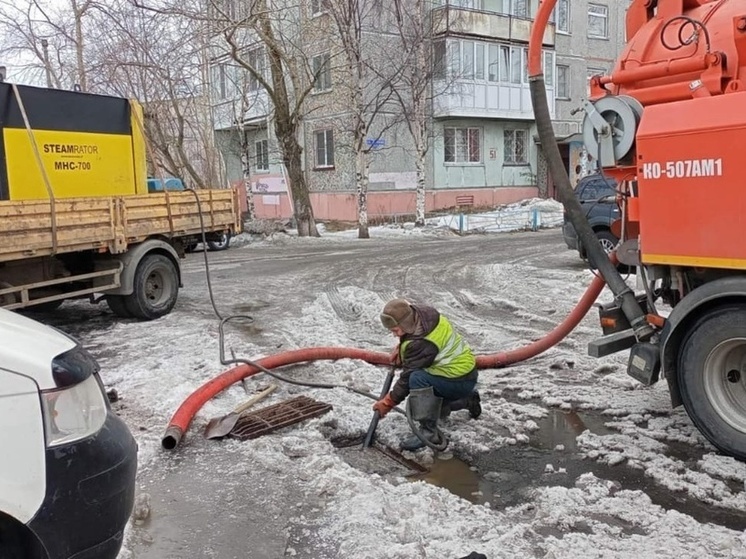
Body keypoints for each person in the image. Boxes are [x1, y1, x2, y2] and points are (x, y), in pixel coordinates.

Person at [372, 298, 481, 451]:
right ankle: (467, 400)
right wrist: (402, 346)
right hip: (464, 373)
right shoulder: (425, 315)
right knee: (432, 408)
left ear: (405, 324)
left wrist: (387, 403)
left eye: (396, 331)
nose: (394, 335)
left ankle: (428, 433)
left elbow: (407, 378)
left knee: (416, 379)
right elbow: (414, 338)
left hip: (457, 379)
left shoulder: (422, 343)